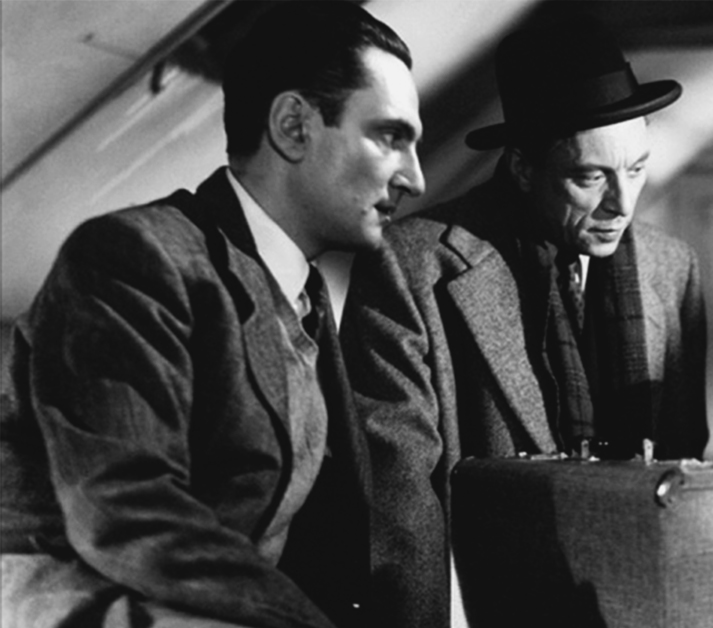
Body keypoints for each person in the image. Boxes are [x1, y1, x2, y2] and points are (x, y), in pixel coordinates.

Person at [0, 3, 424, 628]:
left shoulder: (302, 293)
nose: (415, 178)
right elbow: (127, 514)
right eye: (391, 137)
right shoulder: (135, 259)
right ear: (294, 126)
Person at [338, 15, 708, 627]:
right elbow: (398, 506)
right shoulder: (411, 266)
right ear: (521, 167)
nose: (622, 204)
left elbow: (683, 477)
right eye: (590, 177)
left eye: (636, 169)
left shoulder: (673, 270)